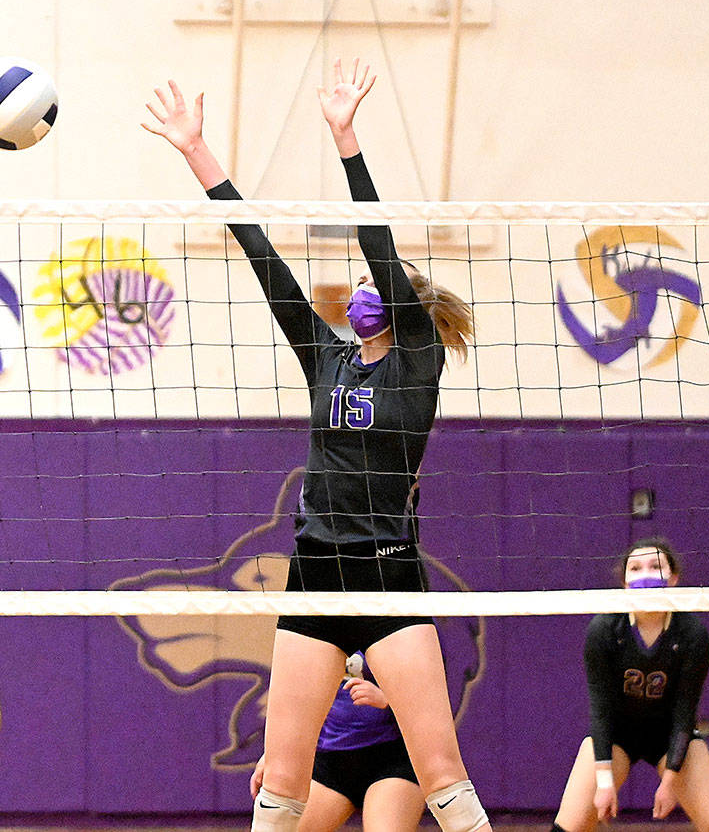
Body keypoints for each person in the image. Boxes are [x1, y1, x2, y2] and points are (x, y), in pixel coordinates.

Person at [142, 59, 485, 832]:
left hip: (387, 572)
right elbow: (265, 261)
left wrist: (346, 138)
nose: (363, 287)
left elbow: (378, 239)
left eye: (377, 281)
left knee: (442, 774)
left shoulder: (416, 360)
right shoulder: (326, 357)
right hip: (313, 568)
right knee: (283, 784)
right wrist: (199, 154)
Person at [550, 537, 709, 832]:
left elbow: (685, 712)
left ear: (673, 579)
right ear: (625, 583)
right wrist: (604, 781)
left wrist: (670, 782)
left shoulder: (692, 634)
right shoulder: (604, 629)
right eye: (635, 568)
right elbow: (600, 711)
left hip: (671, 735)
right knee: (569, 826)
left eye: (656, 567)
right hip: (617, 736)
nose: (646, 574)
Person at [251, 652, 422, 832]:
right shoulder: (314, 633)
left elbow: (431, 705)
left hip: (393, 761)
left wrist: (388, 700)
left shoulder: (408, 631)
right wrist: (273, 753)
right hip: (330, 762)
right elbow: (299, 698)